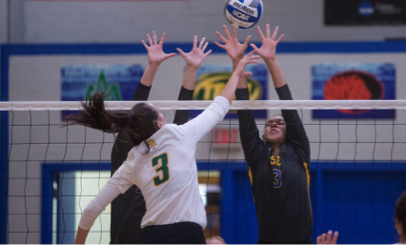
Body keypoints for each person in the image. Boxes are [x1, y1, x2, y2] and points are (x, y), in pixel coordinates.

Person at [71, 44, 259, 245]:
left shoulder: (133, 159)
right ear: (160, 124)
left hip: (150, 237)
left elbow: (91, 210)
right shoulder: (178, 135)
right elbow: (219, 107)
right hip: (186, 234)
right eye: (161, 111)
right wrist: (237, 72)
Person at [109, 32, 211, 245]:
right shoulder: (127, 150)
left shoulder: (170, 148)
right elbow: (134, 111)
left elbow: (182, 115)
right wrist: (152, 67)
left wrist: (191, 69)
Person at [215, 24, 313, 245]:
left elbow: (287, 103)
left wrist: (271, 60)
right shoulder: (256, 153)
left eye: (280, 122)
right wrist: (237, 62)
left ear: (290, 130)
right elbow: (244, 110)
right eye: (269, 123)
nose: (274, 124)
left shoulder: (299, 150)